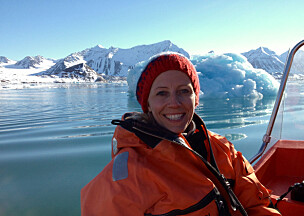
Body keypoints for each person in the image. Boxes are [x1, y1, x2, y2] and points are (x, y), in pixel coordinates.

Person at [81, 53, 281, 215]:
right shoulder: (126, 176)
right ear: (147, 104)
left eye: (184, 91)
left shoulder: (222, 149)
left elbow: (256, 205)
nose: (174, 102)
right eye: (161, 93)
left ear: (196, 99)